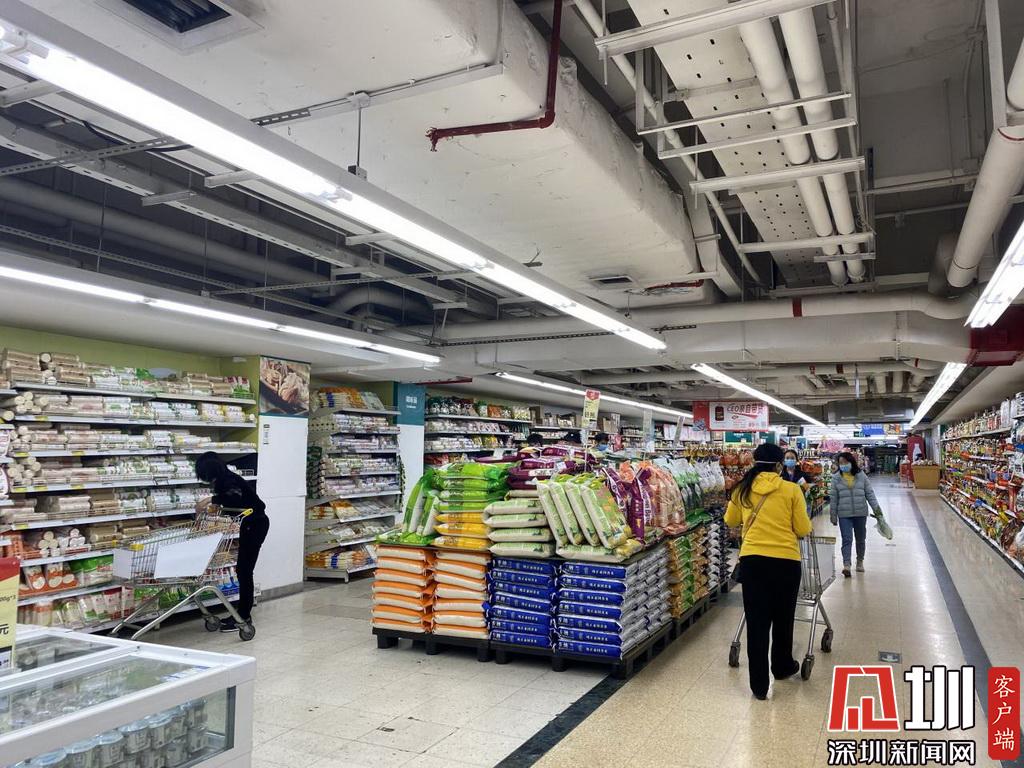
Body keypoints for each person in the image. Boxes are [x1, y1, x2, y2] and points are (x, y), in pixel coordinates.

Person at [725, 443, 813, 700]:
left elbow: (730, 520)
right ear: (778, 465)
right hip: (786, 561)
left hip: (753, 562)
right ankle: (782, 667)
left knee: (757, 623)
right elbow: (803, 528)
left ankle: (759, 686)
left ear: (755, 463)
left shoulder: (742, 489)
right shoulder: (791, 489)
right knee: (783, 618)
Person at [194, 452, 269, 631]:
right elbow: (236, 502)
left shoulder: (227, 480)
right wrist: (218, 508)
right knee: (243, 571)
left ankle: (243, 616)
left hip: (255, 525)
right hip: (250, 525)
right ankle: (241, 613)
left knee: (244, 571)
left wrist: (210, 500)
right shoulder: (225, 478)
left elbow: (234, 497)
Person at [830, 451, 882, 578]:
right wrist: (833, 515)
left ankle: (860, 561)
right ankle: (846, 565)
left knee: (860, 539)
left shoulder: (861, 475)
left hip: (860, 512)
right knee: (847, 539)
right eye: (841, 463)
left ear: (851, 462)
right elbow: (834, 498)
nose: (843, 465)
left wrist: (877, 511)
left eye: (845, 462)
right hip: (844, 514)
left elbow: (870, 494)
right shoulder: (836, 478)